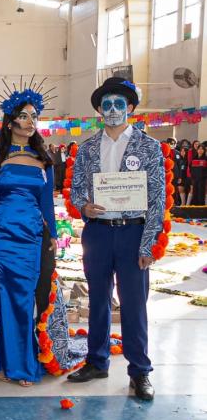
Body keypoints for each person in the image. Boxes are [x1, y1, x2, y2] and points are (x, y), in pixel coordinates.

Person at [68, 77, 165, 401]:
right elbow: (77, 187)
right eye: (106, 104)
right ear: (98, 109)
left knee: (134, 304)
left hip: (133, 231)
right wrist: (83, 205)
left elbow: (157, 199)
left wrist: (148, 243)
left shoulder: (148, 147)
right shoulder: (88, 148)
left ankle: (139, 371)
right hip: (98, 232)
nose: (112, 110)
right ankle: (96, 361)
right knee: (97, 299)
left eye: (118, 104)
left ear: (131, 108)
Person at [0, 88, 68, 386]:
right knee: (1, 298)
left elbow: (46, 202)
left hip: (32, 237)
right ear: (10, 122)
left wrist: (52, 233)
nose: (29, 121)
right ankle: (1, 360)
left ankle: (22, 363)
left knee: (25, 299)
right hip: (1, 234)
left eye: (34, 116)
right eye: (23, 116)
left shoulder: (45, 158)